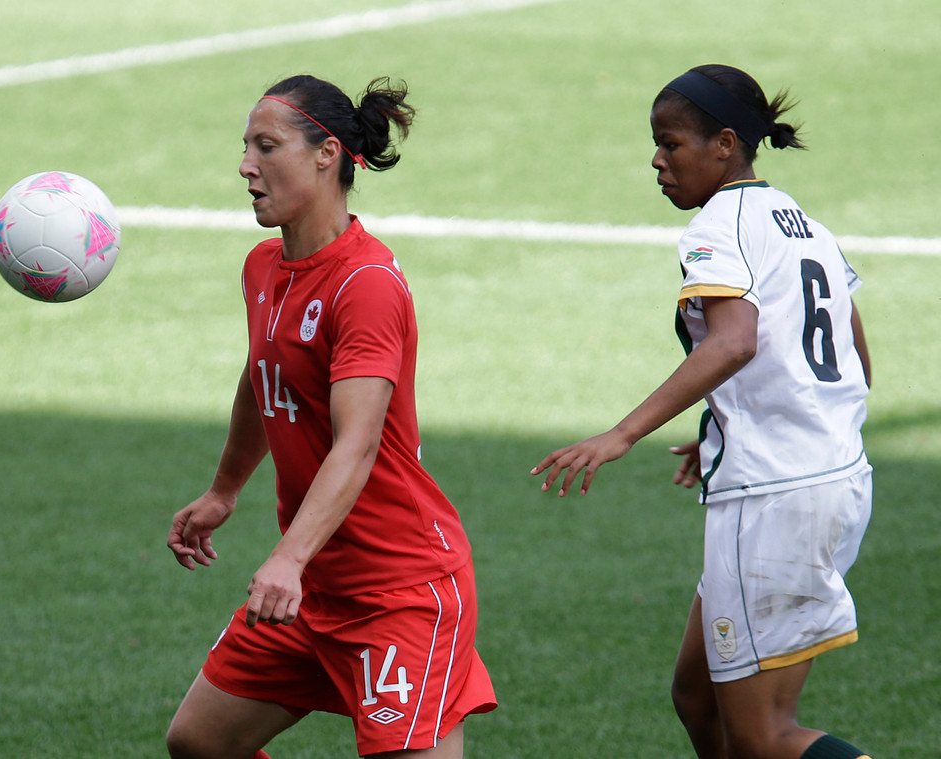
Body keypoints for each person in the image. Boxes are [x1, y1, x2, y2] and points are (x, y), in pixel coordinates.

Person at [532, 64, 874, 759]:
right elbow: (853, 352)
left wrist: (622, 433)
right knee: (695, 692)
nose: (658, 160)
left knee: (764, 736)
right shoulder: (806, 224)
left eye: (671, 142)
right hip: (830, 477)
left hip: (773, 495)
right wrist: (734, 420)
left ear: (725, 143)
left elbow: (735, 341)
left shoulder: (718, 226)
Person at [165, 74, 496, 759]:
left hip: (397, 590)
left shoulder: (364, 284)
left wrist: (286, 557)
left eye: (267, 146)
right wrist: (225, 489)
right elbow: (265, 378)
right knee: (200, 742)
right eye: (246, 147)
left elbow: (359, 442)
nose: (246, 165)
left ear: (327, 154)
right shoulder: (264, 266)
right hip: (318, 589)